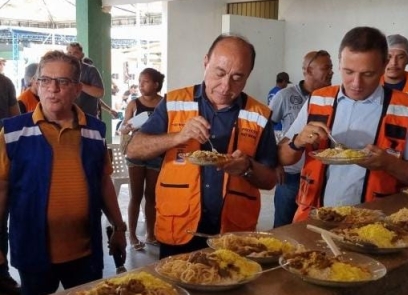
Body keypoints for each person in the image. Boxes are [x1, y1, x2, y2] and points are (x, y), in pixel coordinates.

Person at [126, 34, 278, 259]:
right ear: (206, 62)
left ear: (248, 75)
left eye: (237, 77)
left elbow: (269, 179)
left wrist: (247, 167)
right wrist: (178, 137)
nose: (226, 86)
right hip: (179, 228)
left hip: (233, 235)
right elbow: (134, 148)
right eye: (219, 73)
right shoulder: (174, 102)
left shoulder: (259, 115)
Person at [0, 50, 127, 295]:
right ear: (35, 84)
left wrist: (119, 228)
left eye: (63, 82)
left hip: (85, 254)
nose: (53, 89)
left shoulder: (95, 130)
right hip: (32, 252)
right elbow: (1, 189)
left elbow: (103, 182)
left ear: (77, 88)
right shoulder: (13, 132)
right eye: (45, 80)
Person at [278, 26, 408, 222]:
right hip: (314, 219)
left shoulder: (405, 108)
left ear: (384, 65)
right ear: (339, 63)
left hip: (375, 225)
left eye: (368, 74)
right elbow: (282, 156)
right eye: (348, 72)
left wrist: (389, 163)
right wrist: (297, 143)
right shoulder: (318, 100)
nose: (356, 83)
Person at [270, 50, 334, 227]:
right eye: (326, 67)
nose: (331, 72)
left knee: (310, 227)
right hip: (290, 174)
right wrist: (275, 162)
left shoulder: (332, 99)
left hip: (318, 174)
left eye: (332, 67)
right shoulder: (284, 96)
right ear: (308, 70)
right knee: (283, 228)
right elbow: (267, 127)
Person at [119, 68, 165, 250]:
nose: (140, 85)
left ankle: (150, 234)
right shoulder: (134, 104)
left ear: (156, 84)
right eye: (140, 81)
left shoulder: (164, 103)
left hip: (156, 154)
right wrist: (128, 126)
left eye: (145, 81)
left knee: (152, 196)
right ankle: (131, 235)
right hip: (136, 154)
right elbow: (123, 128)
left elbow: (167, 128)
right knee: (135, 195)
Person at [0, 58, 20, 295]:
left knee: (1, 217)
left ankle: (1, 272)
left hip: (2, 157)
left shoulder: (5, 83)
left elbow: (15, 119)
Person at [66, 42, 105, 118]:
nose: (71, 55)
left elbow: (100, 93)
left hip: (87, 117)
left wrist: (79, 85)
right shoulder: (62, 70)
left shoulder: (90, 70)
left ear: (82, 55)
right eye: (69, 52)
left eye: (75, 53)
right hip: (67, 116)